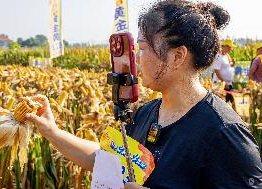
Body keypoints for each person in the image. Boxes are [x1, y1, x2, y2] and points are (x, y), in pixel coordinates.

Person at [25, 1, 262, 188]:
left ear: (177, 56)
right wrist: (52, 131)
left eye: (143, 49)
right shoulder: (146, 113)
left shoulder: (224, 133)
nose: (136, 59)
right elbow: (107, 161)